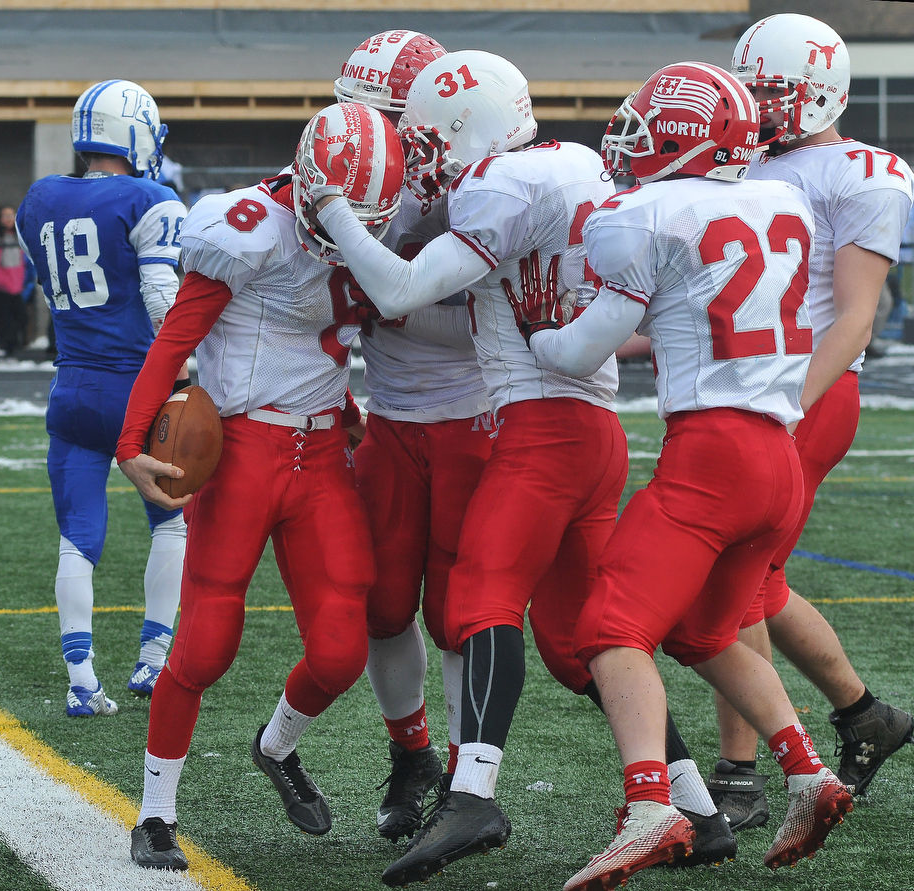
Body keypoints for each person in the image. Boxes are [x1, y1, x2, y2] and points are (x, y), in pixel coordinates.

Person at [309, 50, 733, 885]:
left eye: (431, 138)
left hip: (542, 431)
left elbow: (396, 293)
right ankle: (697, 806)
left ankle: (472, 795)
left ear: (470, 129)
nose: (424, 154)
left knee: (478, 599)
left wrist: (331, 206)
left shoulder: (501, 185)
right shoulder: (569, 163)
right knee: (580, 642)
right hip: (590, 430)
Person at [506, 60, 853, 890]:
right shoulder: (782, 199)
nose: (631, 142)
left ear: (690, 137)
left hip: (714, 452)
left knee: (606, 628)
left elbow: (586, 344)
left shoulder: (649, 211)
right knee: (703, 632)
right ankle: (807, 769)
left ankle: (650, 803)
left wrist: (537, 337)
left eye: (649, 127)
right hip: (779, 453)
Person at [119, 101, 404, 871]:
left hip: (322, 457)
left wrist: (344, 406)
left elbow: (328, 339)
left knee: (343, 651)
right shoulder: (248, 223)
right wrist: (128, 441)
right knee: (206, 643)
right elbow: (178, 332)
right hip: (241, 448)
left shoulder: (378, 219)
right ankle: (154, 813)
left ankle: (276, 747)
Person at [708, 13, 914, 829]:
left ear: (823, 88)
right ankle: (864, 715)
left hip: (806, 394)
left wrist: (783, 409)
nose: (758, 106)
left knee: (730, 583)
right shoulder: (751, 157)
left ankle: (739, 769)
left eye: (774, 92)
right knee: (757, 579)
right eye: (751, 89)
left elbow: (856, 318)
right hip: (755, 386)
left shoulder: (865, 172)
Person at [335, 29, 494, 843]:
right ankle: (412, 755)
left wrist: (378, 294)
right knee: (384, 604)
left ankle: (467, 779)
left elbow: (479, 321)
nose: (365, 131)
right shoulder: (355, 170)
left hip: (472, 417)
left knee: (462, 613)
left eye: (384, 115)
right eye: (353, 112)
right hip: (392, 420)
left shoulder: (471, 181)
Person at [16, 79, 189, 717]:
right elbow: (159, 296)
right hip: (137, 389)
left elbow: (49, 286)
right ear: (138, 133)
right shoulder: (151, 197)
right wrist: (185, 370)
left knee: (77, 540)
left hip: (72, 386)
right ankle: (152, 661)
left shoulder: (39, 197)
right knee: (174, 522)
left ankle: (82, 680)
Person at [0, 204, 30, 356]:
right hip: (0, 287)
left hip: (15, 285)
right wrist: (3, 283)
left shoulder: (18, 236)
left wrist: (19, 282)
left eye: (11, 215)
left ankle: (13, 348)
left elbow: (23, 263)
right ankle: (4, 349)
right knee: (4, 320)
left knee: (20, 317)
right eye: (5, 216)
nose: (9, 219)